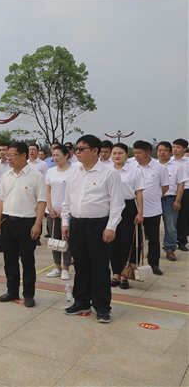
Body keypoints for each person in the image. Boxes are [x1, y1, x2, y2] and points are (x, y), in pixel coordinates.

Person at [61, 135, 124, 323]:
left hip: (99, 226)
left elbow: (117, 204)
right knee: (80, 265)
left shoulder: (109, 173)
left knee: (99, 267)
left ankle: (102, 307)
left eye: (82, 149)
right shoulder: (73, 171)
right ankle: (81, 301)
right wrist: (66, 222)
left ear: (95, 151)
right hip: (77, 224)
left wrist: (111, 227)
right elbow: (67, 199)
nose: (77, 152)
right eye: (76, 148)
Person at [0, 142, 46, 307]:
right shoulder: (7, 175)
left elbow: (41, 202)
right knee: (9, 259)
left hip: (27, 223)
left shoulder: (36, 176)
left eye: (12, 155)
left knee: (27, 261)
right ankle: (12, 290)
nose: (8, 158)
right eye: (7, 155)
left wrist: (37, 224)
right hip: (8, 222)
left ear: (23, 156)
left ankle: (29, 294)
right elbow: (1, 199)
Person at [130, 140, 169, 275]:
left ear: (148, 153)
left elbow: (165, 187)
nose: (136, 156)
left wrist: (154, 196)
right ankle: (134, 264)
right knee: (135, 239)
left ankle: (154, 264)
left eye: (139, 153)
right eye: (135, 153)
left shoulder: (159, 168)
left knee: (153, 238)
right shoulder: (130, 165)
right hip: (134, 209)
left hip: (153, 210)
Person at [109, 143, 144, 289]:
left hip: (128, 207)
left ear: (126, 154)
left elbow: (139, 193)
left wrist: (140, 212)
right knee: (112, 242)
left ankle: (125, 275)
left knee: (127, 242)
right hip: (110, 207)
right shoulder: (107, 170)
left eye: (120, 153)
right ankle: (115, 274)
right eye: (114, 153)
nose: (117, 156)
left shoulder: (134, 171)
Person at [44, 145, 73, 280]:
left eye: (58, 155)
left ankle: (66, 268)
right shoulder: (51, 171)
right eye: (53, 155)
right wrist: (49, 206)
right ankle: (57, 267)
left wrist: (64, 210)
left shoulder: (73, 171)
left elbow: (74, 192)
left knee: (66, 240)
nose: (55, 158)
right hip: (52, 211)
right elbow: (48, 190)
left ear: (66, 155)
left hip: (67, 211)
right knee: (54, 240)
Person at [157, 141, 188, 261]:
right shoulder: (153, 165)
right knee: (152, 228)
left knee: (170, 226)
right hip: (154, 200)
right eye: (160, 150)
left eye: (165, 150)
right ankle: (153, 250)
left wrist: (178, 200)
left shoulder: (177, 166)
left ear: (169, 152)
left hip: (170, 199)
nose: (162, 152)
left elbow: (181, 184)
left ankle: (170, 249)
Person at [172, 138, 189, 251]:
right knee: (171, 218)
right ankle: (171, 242)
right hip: (171, 191)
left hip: (186, 191)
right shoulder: (169, 161)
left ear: (184, 149)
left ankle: (182, 241)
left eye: (178, 147)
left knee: (183, 216)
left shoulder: (187, 162)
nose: (175, 149)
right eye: (173, 147)